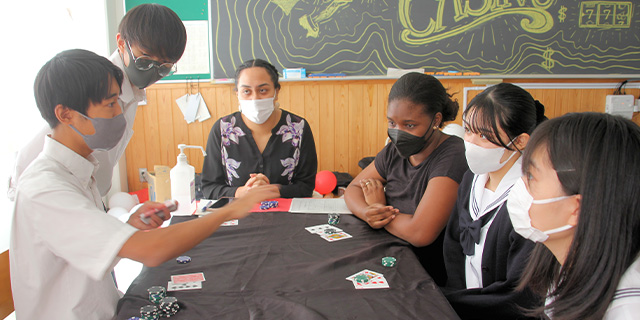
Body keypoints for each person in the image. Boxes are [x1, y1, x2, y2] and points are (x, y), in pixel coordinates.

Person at [9, 49, 279, 320]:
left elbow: (86, 248)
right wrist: (230, 210)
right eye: (111, 104)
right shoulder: (46, 188)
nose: (120, 115)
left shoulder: (77, 170)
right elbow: (152, 251)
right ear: (66, 114)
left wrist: (128, 226)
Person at [8, 3, 187, 199]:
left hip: (86, 198)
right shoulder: (98, 85)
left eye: (164, 68)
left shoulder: (132, 90)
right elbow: (36, 155)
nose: (153, 72)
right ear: (121, 43)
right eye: (144, 60)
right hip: (58, 199)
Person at [510, 112, 640, 320]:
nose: (520, 187)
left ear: (576, 208)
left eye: (531, 176)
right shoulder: (568, 267)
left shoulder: (628, 310)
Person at [344, 72, 468, 285]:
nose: (397, 132)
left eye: (409, 125)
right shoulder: (394, 150)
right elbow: (353, 188)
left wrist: (377, 206)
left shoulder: (453, 156)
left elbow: (420, 233)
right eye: (392, 123)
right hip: (389, 252)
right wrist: (368, 212)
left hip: (425, 272)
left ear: (436, 120)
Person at [441, 83, 546, 319]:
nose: (471, 142)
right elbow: (454, 245)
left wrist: (451, 301)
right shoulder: (471, 180)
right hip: (463, 304)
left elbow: (519, 292)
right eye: (468, 130)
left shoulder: (531, 199)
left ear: (520, 141)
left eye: (485, 136)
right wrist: (455, 297)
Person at [201, 59, 318, 199]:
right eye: (246, 91)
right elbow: (209, 188)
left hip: (285, 215)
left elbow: (306, 186)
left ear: (276, 91)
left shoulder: (299, 128)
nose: (255, 98)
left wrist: (274, 190)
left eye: (263, 90)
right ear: (237, 94)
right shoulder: (221, 130)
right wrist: (241, 192)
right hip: (236, 215)